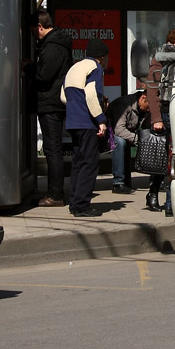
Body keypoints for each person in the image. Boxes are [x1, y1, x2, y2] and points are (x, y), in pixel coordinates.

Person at [29, 10, 72, 208]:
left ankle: (55, 195)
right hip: (53, 101)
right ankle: (54, 192)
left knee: (52, 149)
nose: (32, 35)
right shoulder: (55, 43)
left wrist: (29, 68)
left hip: (50, 102)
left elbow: (44, 75)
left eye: (33, 30)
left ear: (40, 26)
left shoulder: (53, 46)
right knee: (52, 148)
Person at [64, 39, 110, 218]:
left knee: (78, 162)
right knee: (90, 163)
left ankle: (74, 203)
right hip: (86, 122)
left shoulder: (74, 68)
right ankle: (82, 205)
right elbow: (91, 94)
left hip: (73, 122)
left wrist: (75, 108)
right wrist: (101, 119)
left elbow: (63, 95)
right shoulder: (95, 68)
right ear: (102, 57)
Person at [144, 29, 175, 213]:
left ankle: (170, 202)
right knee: (163, 158)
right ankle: (155, 194)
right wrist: (156, 119)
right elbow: (152, 91)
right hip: (166, 111)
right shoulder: (160, 58)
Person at [108, 89, 151, 194]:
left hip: (128, 133)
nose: (149, 110)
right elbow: (119, 130)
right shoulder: (125, 105)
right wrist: (138, 139)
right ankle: (118, 183)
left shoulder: (145, 109)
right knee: (120, 142)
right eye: (148, 106)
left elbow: (146, 129)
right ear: (143, 98)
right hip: (109, 134)